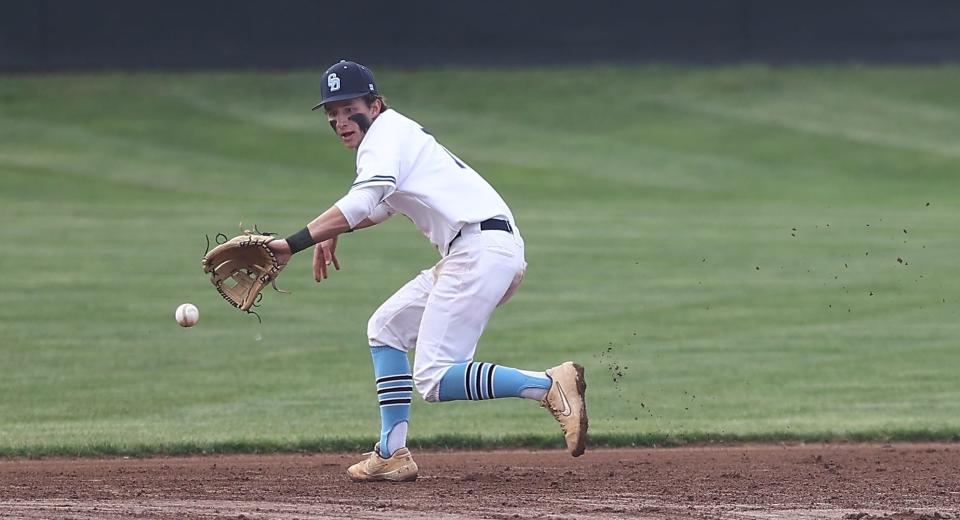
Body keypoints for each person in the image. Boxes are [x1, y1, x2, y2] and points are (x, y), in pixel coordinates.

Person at [268, 60, 587, 482]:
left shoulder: (382, 139)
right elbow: (380, 206)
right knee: (386, 328)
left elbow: (364, 202)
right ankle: (391, 452)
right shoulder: (395, 134)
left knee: (435, 378)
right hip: (479, 249)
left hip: (479, 251)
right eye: (332, 113)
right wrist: (334, 229)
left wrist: (291, 244)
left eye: (349, 109)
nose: (341, 120)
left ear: (375, 105)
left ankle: (547, 385)